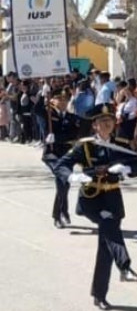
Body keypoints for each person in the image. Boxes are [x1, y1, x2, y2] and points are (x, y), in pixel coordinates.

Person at [54, 104, 137, 310]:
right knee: (108, 227)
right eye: (103, 122)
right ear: (95, 125)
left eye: (111, 121)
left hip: (112, 196)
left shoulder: (121, 144)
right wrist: (73, 176)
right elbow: (61, 165)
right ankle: (125, 267)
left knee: (106, 245)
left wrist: (128, 169)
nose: (108, 125)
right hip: (91, 197)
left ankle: (99, 294)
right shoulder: (85, 146)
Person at [42, 88, 82, 228]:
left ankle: (62, 212)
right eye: (59, 99)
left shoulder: (72, 118)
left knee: (65, 184)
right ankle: (59, 215)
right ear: (53, 100)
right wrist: (44, 93)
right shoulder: (48, 114)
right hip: (52, 155)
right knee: (62, 182)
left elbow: (74, 134)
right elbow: (36, 111)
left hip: (66, 155)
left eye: (65, 99)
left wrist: (57, 138)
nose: (63, 102)